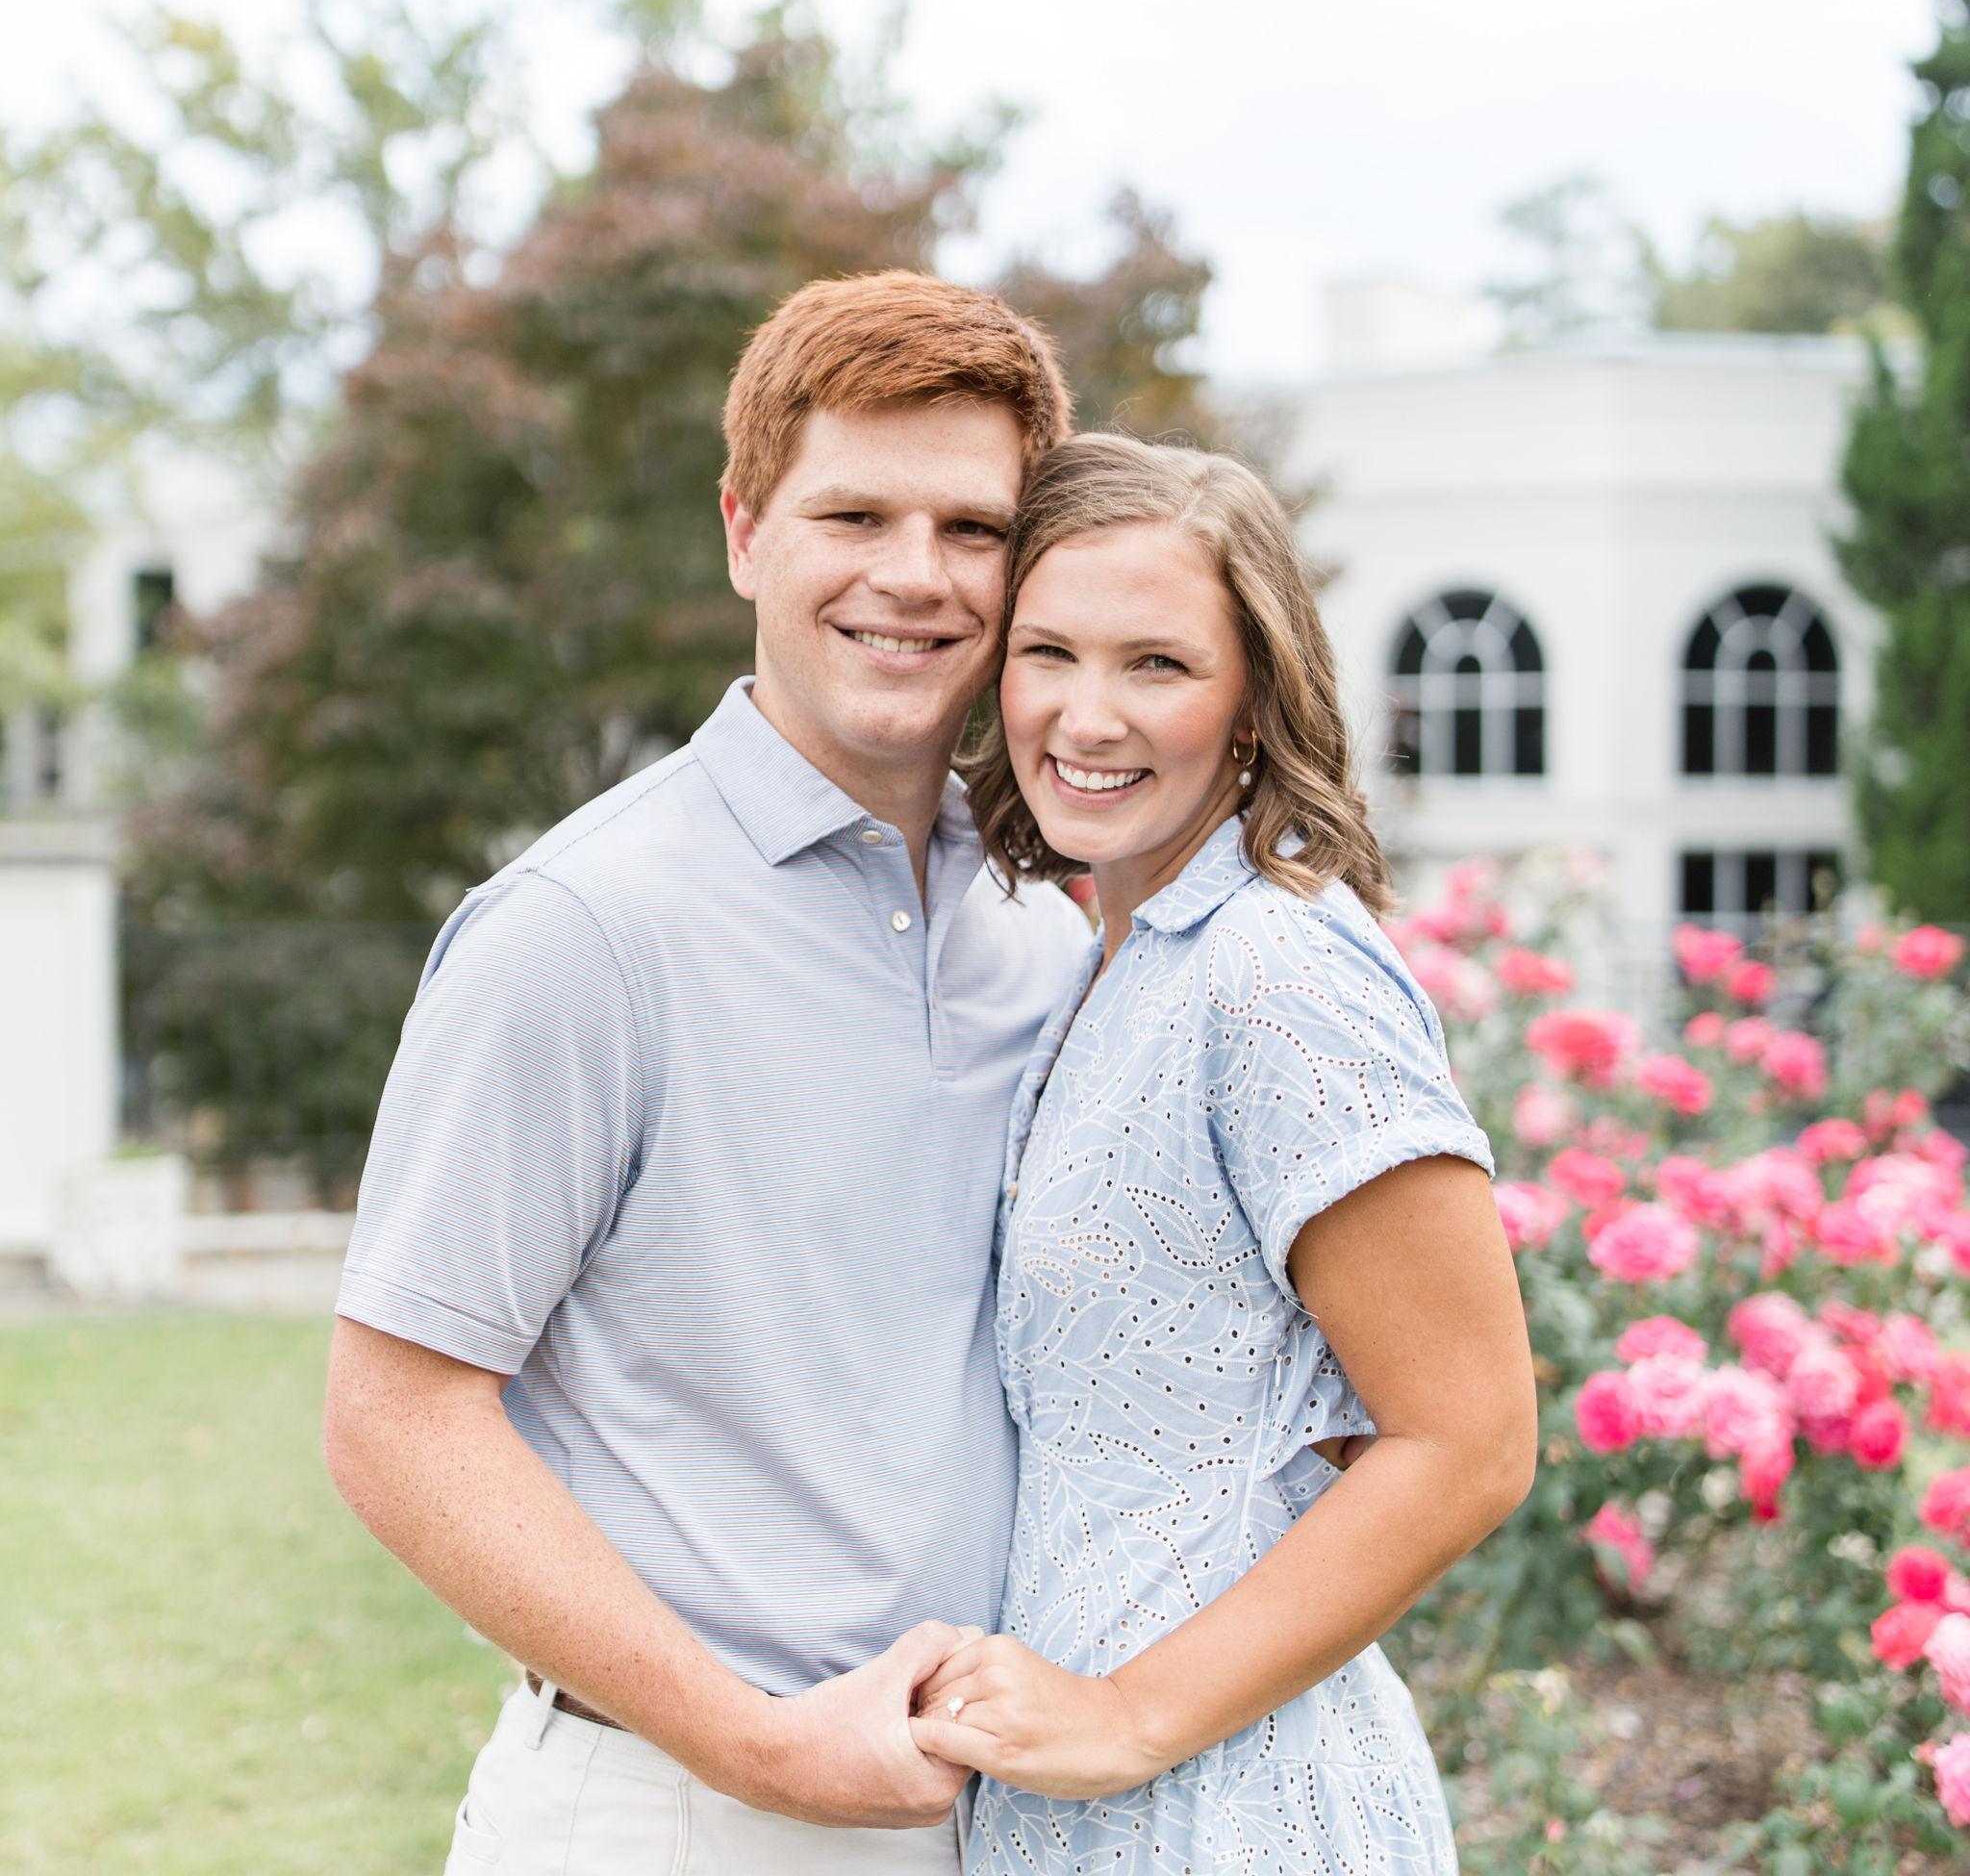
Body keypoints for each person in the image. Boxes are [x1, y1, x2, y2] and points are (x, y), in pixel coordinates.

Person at [322, 270, 1095, 1874]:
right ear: (745, 532)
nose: (914, 575)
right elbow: (395, 1416)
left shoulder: (1043, 927)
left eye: (971, 529)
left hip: (990, 1811)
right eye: (853, 515)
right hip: (676, 1810)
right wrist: (754, 1743)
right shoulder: (583, 928)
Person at [908, 433, 1539, 1873]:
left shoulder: (1276, 968)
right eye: (1049, 652)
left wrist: (1129, 1714)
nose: (1087, 716)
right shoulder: (1112, 961)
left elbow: (1474, 1439)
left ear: (1255, 699)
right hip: (1084, 1803)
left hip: (1231, 1806)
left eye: (1159, 665)